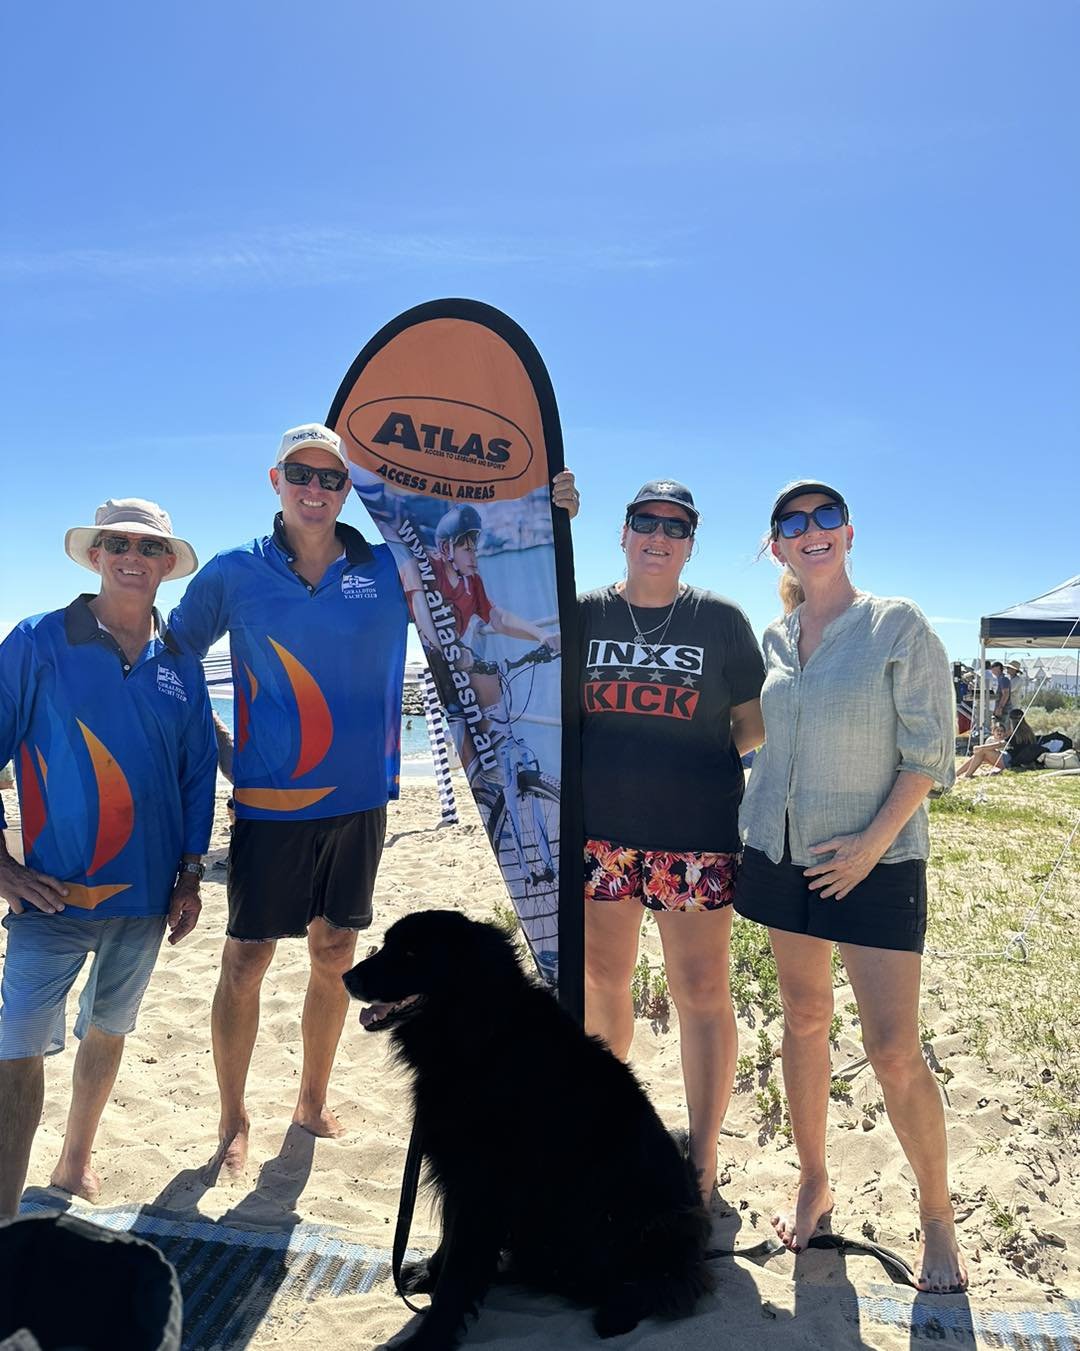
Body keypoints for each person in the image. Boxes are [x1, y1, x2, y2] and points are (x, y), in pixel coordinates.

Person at [168, 424, 580, 1172]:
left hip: (359, 802)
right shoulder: (233, 572)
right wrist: (220, 745)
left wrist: (550, 509)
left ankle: (312, 1099)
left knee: (335, 953)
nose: (316, 490)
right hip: (270, 804)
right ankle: (232, 1119)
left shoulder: (389, 568)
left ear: (345, 488)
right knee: (248, 958)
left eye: (331, 478)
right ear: (276, 479)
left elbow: (478, 570)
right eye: (302, 474)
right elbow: (174, 658)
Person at [733, 480, 967, 1294]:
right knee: (803, 1017)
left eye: (825, 515)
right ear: (778, 546)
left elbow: (930, 754)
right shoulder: (774, 637)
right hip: (779, 851)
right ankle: (813, 1179)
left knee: (894, 1050)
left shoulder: (897, 624)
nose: (812, 530)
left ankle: (937, 1219)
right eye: (793, 522)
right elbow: (747, 735)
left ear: (849, 531)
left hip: (877, 860)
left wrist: (870, 846)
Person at [0, 500, 215, 1217]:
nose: (132, 554)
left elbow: (195, 770)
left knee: (109, 1028)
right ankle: (4, 1214)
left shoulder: (181, 661)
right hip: (48, 897)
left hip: (146, 899)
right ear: (95, 555)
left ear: (165, 564)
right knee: (18, 1048)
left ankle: (75, 1160)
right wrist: (1, 867)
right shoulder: (35, 641)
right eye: (117, 542)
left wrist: (190, 874)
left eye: (148, 546)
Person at [578, 480, 765, 1204]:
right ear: (622, 533)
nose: (659, 535)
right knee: (603, 983)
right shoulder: (588, 611)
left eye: (675, 527)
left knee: (701, 992)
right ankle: (604, 1128)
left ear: (690, 543)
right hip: (604, 836)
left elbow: (752, 726)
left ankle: (704, 1157)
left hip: (695, 840)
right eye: (646, 522)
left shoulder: (719, 619)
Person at [413, 504, 561, 780]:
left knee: (494, 699)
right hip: (439, 663)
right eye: (467, 549)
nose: (475, 556)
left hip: (459, 659)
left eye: (475, 548)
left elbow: (499, 618)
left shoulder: (473, 583)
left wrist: (542, 635)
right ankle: (462, 748)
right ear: (446, 549)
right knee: (474, 717)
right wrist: (449, 650)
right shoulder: (428, 569)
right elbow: (419, 607)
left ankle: (495, 772)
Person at [956, 708, 1040, 777]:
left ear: (1011, 720)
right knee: (980, 754)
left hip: (1011, 761)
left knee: (982, 751)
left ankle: (965, 775)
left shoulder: (1017, 733)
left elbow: (1000, 744)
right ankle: (958, 773)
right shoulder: (1028, 732)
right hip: (1014, 759)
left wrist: (980, 747)